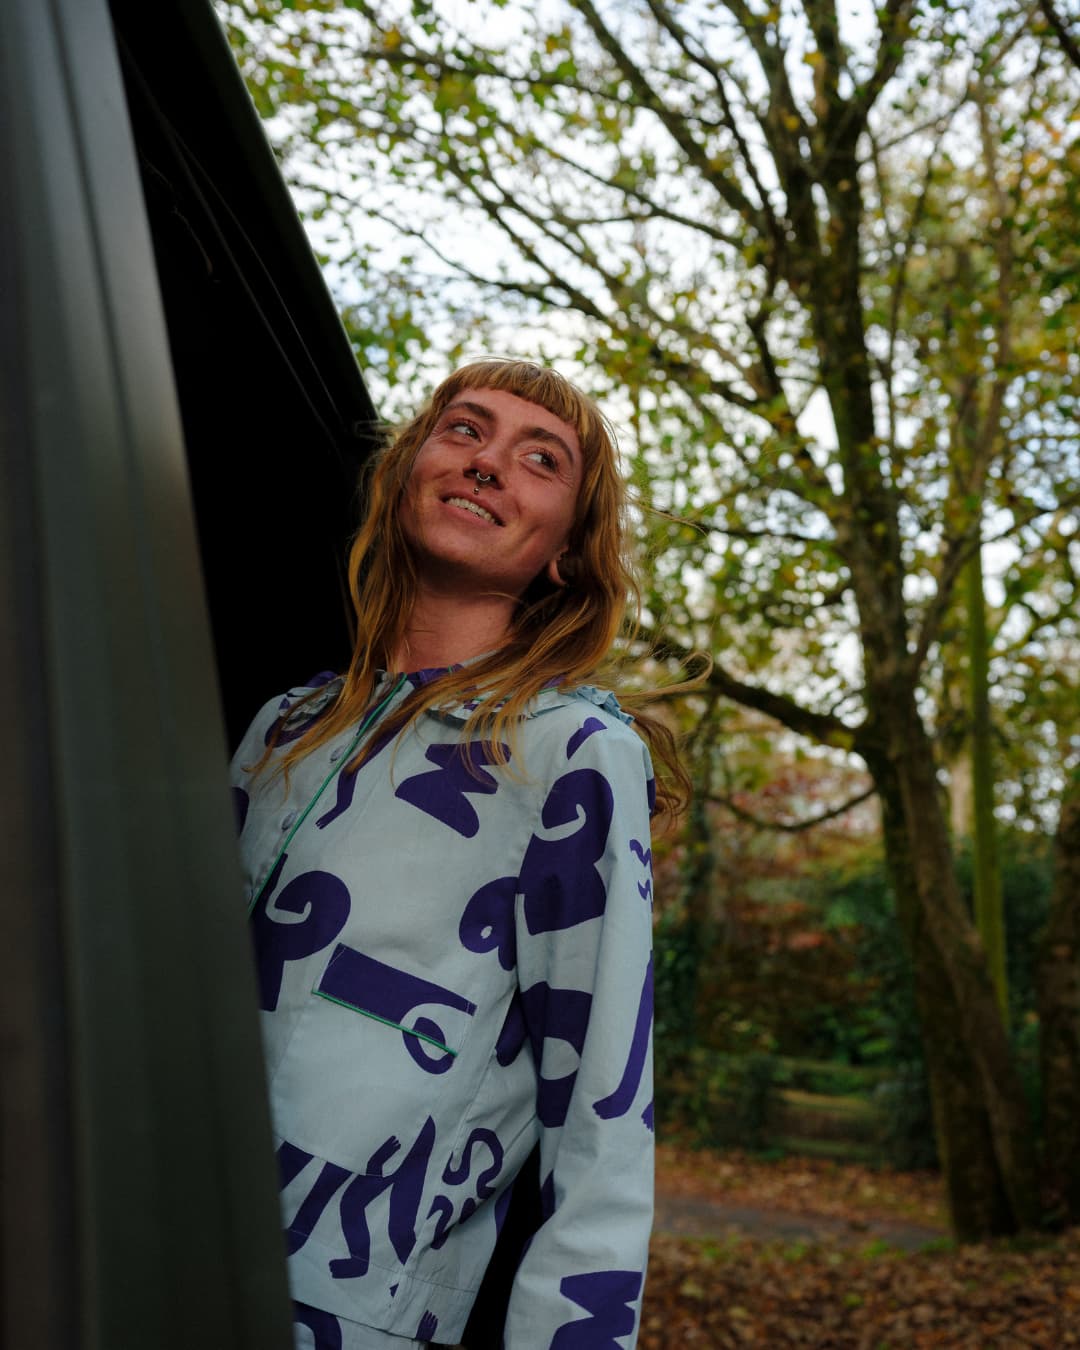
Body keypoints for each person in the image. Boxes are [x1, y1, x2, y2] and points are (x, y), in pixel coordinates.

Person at [230, 359, 687, 1350]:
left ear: (565, 552)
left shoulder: (575, 755)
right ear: (403, 475)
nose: (489, 463)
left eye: (540, 459)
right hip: (145, 1236)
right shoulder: (280, 727)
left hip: (343, 1306)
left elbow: (602, 1126)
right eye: (465, 430)